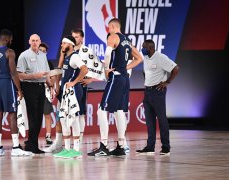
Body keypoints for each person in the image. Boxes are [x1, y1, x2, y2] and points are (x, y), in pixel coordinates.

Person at [88, 18, 143, 156]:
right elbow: (139, 58)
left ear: (113, 26)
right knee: (119, 112)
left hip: (116, 78)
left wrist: (106, 69)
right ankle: (121, 145)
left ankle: (104, 146)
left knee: (101, 110)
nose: (108, 30)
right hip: (125, 79)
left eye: (108, 28)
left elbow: (107, 54)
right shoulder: (127, 40)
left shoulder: (113, 37)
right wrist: (125, 67)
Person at [0, 29, 32, 157]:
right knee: (12, 114)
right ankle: (16, 147)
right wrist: (19, 89)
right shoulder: (9, 52)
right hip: (5, 83)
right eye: (11, 40)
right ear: (7, 39)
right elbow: (13, 72)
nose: (11, 42)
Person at [136, 39, 179, 155]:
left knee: (161, 119)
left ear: (150, 48)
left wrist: (167, 82)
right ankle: (150, 147)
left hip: (158, 91)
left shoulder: (161, 57)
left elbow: (176, 69)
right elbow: (145, 72)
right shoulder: (146, 58)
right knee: (149, 121)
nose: (142, 49)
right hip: (148, 91)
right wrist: (147, 81)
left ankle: (166, 147)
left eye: (144, 47)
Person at [53, 35, 88, 158]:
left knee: (73, 117)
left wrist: (74, 82)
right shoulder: (67, 57)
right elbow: (59, 69)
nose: (61, 45)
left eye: (63, 43)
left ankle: (76, 149)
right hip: (65, 90)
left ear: (70, 44)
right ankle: (67, 149)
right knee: (63, 118)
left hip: (73, 90)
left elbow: (85, 69)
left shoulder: (75, 56)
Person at [17, 34, 51, 154]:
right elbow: (19, 75)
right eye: (33, 41)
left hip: (41, 87)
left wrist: (50, 85)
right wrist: (33, 76)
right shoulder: (24, 55)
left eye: (37, 40)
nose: (35, 43)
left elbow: (46, 73)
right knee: (32, 115)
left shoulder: (43, 55)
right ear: (29, 42)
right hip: (29, 86)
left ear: (40, 41)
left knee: (38, 116)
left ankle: (33, 144)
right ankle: (31, 144)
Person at [38, 42, 55, 145]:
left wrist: (50, 85)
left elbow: (52, 79)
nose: (42, 53)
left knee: (47, 114)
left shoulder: (49, 64)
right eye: (40, 51)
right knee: (34, 116)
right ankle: (33, 137)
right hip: (35, 91)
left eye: (44, 51)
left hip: (46, 92)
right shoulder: (32, 62)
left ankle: (48, 136)